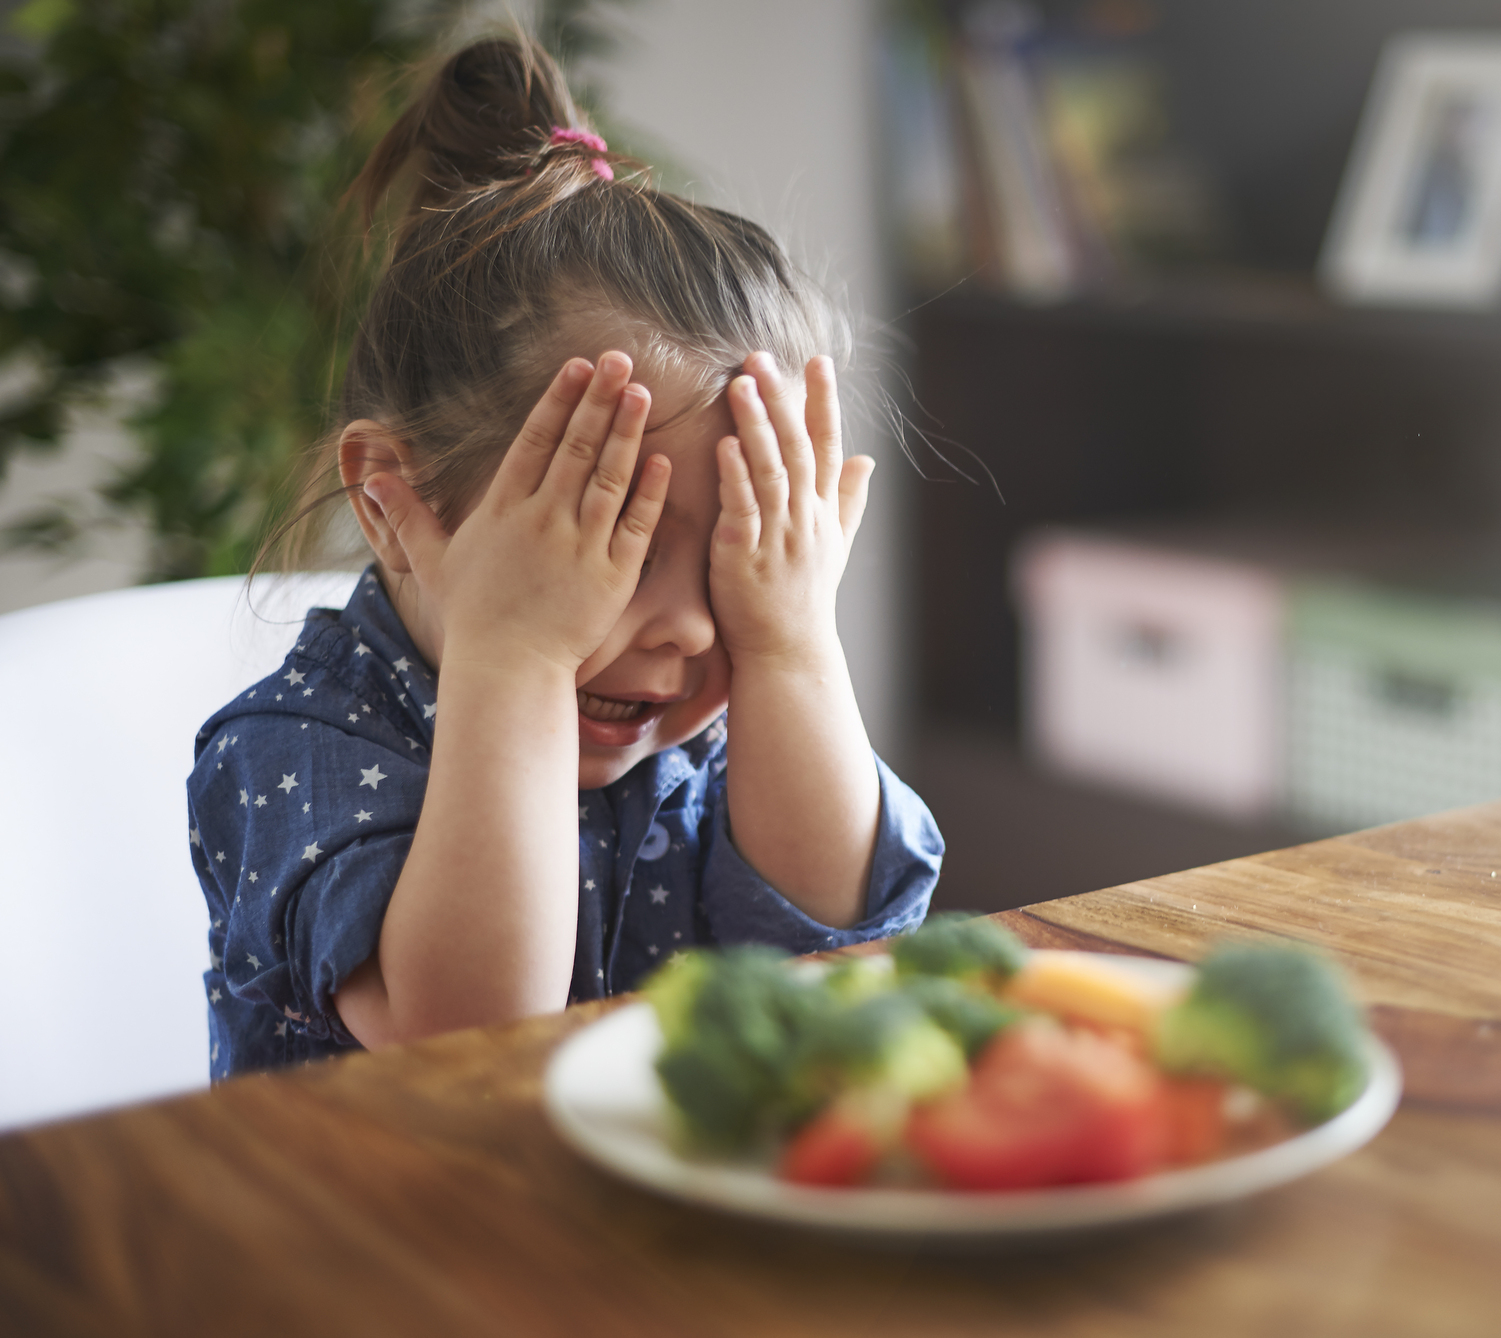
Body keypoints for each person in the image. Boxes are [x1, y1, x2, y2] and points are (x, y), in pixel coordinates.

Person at [187, 36, 941, 1079]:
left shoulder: (721, 722)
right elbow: (470, 1035)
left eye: (735, 561)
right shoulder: (293, 750)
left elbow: (842, 937)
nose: (687, 626)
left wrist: (791, 646)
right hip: (364, 1227)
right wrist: (519, 660)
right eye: (617, 553)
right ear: (393, 504)